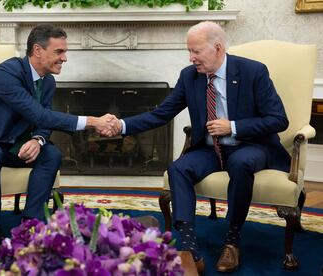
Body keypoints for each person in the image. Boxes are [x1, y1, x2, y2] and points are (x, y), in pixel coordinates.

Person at [108, 21, 291, 273]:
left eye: (196, 51)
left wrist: (234, 126)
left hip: (250, 145)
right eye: (189, 51)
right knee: (178, 168)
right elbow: (162, 113)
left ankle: (232, 240)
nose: (191, 58)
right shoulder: (189, 76)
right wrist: (121, 125)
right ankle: (188, 246)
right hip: (211, 149)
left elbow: (278, 120)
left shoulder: (253, 72)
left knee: (241, 163)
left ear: (217, 48)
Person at [0, 24, 118, 251]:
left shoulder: (47, 81)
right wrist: (93, 121)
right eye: (59, 52)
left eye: (65, 52)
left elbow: (43, 122)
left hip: (11, 144)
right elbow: (39, 114)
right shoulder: (5, 73)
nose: (65, 58)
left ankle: (31, 225)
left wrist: (37, 140)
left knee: (51, 154)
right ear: (38, 50)